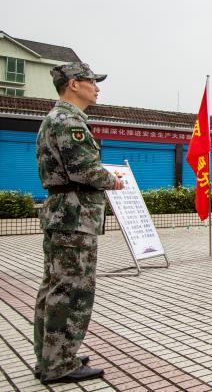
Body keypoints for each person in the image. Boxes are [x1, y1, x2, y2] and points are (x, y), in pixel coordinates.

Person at [35, 62, 124, 383]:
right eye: (92, 82)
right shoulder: (68, 121)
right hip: (74, 215)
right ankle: (59, 363)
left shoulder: (55, 119)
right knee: (72, 289)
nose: (97, 88)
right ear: (74, 84)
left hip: (63, 213)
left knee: (54, 286)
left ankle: (49, 357)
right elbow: (84, 169)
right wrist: (113, 179)